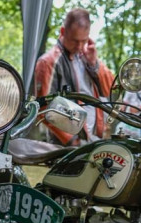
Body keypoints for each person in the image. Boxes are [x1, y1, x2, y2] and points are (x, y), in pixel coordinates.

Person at [33, 8, 114, 145]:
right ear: (63, 32)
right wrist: (72, 140)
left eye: (84, 40)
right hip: (68, 143)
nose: (79, 46)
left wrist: (94, 64)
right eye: (75, 41)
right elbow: (43, 108)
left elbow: (111, 90)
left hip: (93, 137)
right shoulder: (48, 62)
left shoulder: (87, 56)